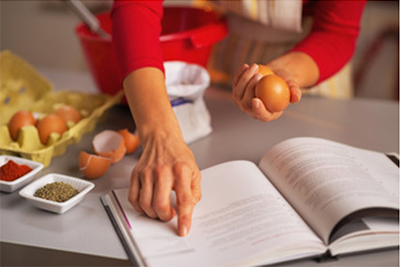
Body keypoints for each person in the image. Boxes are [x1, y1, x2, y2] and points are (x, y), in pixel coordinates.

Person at [110, 0, 366, 236]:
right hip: (226, 56)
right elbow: (136, 6)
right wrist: (160, 136)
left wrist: (286, 73)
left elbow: (337, 32)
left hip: (308, 67)